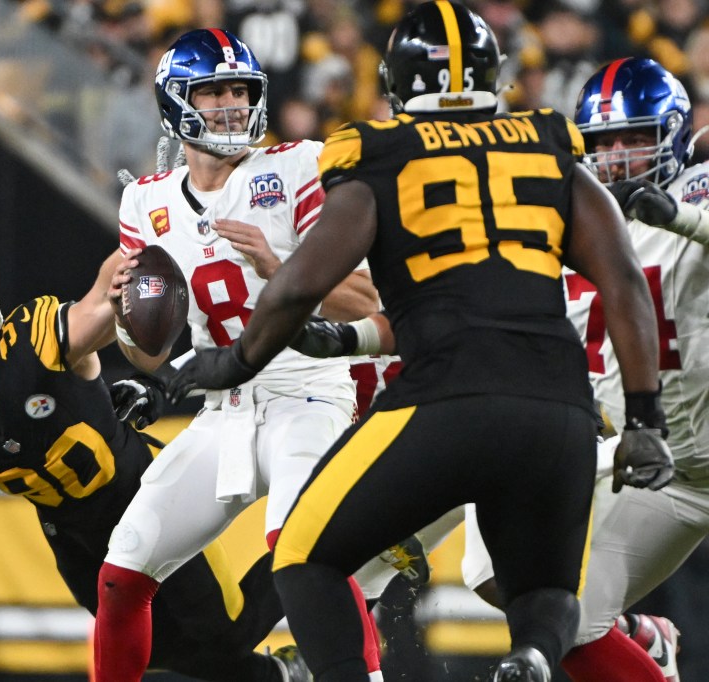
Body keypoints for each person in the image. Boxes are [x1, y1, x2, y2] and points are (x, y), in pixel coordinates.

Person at [167, 3, 673, 681]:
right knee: (543, 592)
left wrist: (233, 361)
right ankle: (532, 655)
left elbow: (295, 287)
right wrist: (645, 417)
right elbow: (623, 280)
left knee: (301, 557)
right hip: (557, 409)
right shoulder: (547, 145)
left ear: (397, 78)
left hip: (444, 398)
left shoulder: (379, 154)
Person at [0, 256, 305, 682]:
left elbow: (99, 303)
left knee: (226, 633)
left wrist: (125, 267)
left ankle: (320, 550)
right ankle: (282, 675)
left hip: (145, 493)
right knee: (161, 651)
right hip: (74, 538)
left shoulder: (33, 344)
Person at [93, 27, 384, 682]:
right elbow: (148, 352)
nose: (228, 104)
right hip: (221, 410)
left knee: (309, 557)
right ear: (175, 102)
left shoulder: (297, 166)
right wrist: (123, 314)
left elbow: (365, 300)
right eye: (212, 90)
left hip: (307, 394)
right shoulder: (146, 201)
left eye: (238, 90)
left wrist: (281, 268)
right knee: (121, 574)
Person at [554, 56, 709, 682]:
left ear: (670, 134)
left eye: (635, 137)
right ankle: (644, 640)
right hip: (655, 468)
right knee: (542, 604)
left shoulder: (696, 188)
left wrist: (675, 217)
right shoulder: (563, 221)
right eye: (604, 142)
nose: (617, 157)